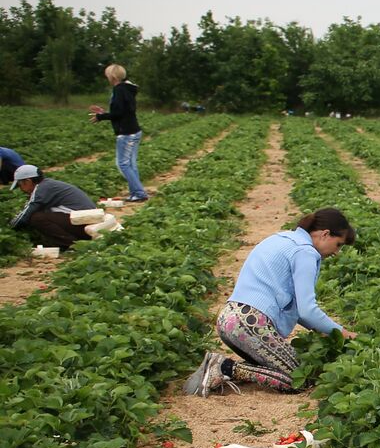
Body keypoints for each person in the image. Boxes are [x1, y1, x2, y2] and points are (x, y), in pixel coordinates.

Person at [184, 209, 358, 398]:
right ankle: (224, 367)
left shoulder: (283, 238)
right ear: (325, 234)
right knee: (299, 379)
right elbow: (307, 310)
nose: (337, 252)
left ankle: (224, 369)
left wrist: (324, 330)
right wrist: (343, 333)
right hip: (250, 324)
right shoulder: (305, 252)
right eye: (338, 244)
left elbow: (299, 310)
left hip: (229, 319)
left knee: (278, 368)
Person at [88, 64, 148, 202]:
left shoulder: (119, 90)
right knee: (130, 164)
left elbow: (118, 113)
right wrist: (104, 113)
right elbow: (123, 111)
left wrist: (101, 117)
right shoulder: (128, 89)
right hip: (133, 130)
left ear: (112, 77)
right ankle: (135, 192)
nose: (107, 78)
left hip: (126, 132)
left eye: (107, 76)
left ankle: (139, 193)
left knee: (123, 164)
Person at [9, 165, 96, 249]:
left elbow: (27, 213)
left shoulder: (42, 188)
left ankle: (72, 245)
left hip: (84, 224)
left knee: (37, 218)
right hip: (89, 223)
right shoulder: (48, 184)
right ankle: (74, 242)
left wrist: (10, 227)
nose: (21, 189)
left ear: (28, 181)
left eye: (20, 185)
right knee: (43, 213)